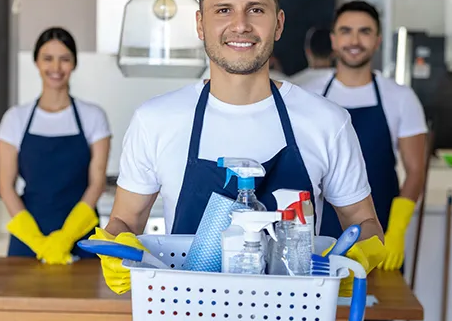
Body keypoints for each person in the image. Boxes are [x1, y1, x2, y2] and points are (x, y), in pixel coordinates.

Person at [92, 0, 388, 296]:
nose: (240, 24)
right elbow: (125, 219)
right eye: (223, 9)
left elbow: (364, 221)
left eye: (256, 9)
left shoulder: (326, 121)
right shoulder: (156, 120)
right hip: (184, 308)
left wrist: (356, 260)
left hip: (297, 310)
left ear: (279, 24)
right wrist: (118, 248)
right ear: (199, 24)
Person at [301, 1, 428, 272]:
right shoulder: (307, 94)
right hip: (318, 238)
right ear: (334, 40)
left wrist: (395, 232)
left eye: (365, 31)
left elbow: (416, 171)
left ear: (378, 40)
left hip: (377, 237)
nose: (355, 40)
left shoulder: (401, 97)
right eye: (346, 31)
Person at [0, 27, 111, 264]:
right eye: (48, 59)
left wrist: (67, 237)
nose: (56, 68)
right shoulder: (15, 118)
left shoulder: (93, 117)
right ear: (37, 63)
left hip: (81, 237)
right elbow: (6, 187)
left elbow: (97, 183)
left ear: (74, 64)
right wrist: (38, 242)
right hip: (29, 238)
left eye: (64, 59)